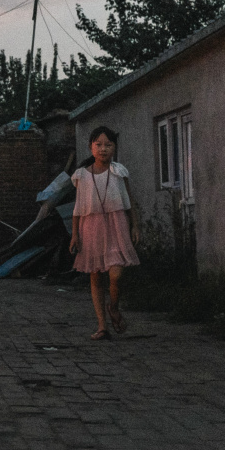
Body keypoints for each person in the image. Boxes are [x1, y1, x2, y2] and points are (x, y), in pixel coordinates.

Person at [69, 126, 140, 340]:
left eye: (108, 145)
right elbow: (78, 208)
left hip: (117, 225)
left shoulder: (119, 172)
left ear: (114, 147)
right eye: (98, 144)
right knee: (95, 275)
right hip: (91, 227)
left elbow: (129, 202)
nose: (103, 149)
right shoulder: (81, 175)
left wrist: (135, 225)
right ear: (90, 147)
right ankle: (102, 326)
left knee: (116, 274)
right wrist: (74, 235)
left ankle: (114, 307)